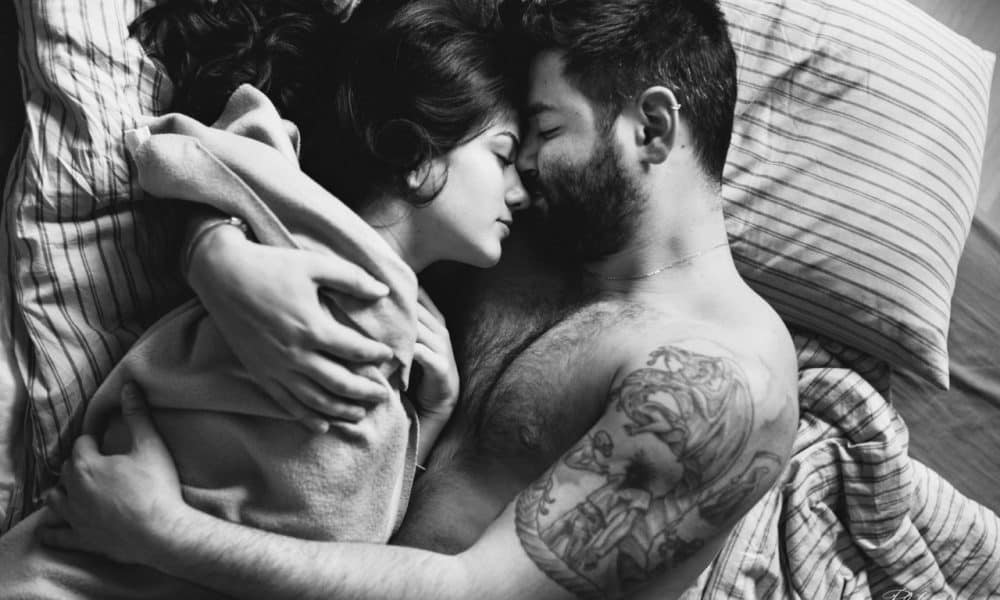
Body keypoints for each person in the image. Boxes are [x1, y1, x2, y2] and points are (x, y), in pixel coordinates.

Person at [40, 0, 800, 598]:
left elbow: (477, 590)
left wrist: (161, 532)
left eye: (544, 129)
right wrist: (219, 256)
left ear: (654, 128)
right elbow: (298, 154)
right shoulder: (512, 230)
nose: (526, 167)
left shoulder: (717, 383)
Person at [0, 0, 527, 596]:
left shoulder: (421, 329)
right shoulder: (304, 219)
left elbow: (351, 525)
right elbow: (188, 146)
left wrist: (429, 417)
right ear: (417, 155)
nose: (521, 191)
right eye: (502, 156)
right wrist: (216, 245)